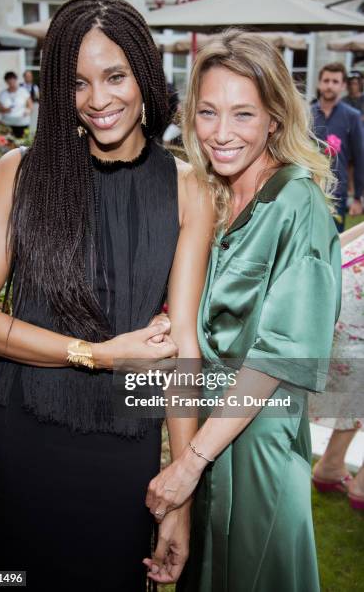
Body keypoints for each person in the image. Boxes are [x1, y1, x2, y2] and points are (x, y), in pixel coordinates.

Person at [0, 0, 214, 591]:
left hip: (122, 446)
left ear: (144, 74)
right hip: (23, 436)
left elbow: (183, 346)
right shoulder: (20, 172)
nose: (98, 100)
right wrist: (97, 353)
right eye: (77, 82)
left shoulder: (186, 188)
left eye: (115, 76)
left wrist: (180, 493)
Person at [144, 30, 341, 591]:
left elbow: (280, 354)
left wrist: (188, 464)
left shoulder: (295, 201)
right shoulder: (217, 197)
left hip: (258, 449)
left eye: (242, 115)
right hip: (209, 442)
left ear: (275, 118)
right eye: (207, 112)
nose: (221, 134)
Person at [312, 220, 364, 510]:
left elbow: (337, 244)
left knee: (358, 389)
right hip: (350, 328)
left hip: (330, 311)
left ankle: (330, 465)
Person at [311, 62, 364, 232]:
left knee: (334, 241)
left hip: (337, 192)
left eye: (335, 82)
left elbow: (359, 157)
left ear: (342, 86)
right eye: (326, 80)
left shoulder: (352, 116)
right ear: (319, 83)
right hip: (308, 188)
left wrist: (357, 198)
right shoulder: (306, 114)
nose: (329, 86)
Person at [0, 71, 32, 138]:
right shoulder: (3, 94)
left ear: (16, 80)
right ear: (6, 82)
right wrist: (3, 109)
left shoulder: (23, 91)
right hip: (7, 124)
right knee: (8, 145)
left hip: (22, 123)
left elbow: (30, 104)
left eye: (12, 80)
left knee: (22, 145)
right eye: (9, 81)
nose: (11, 82)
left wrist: (28, 111)